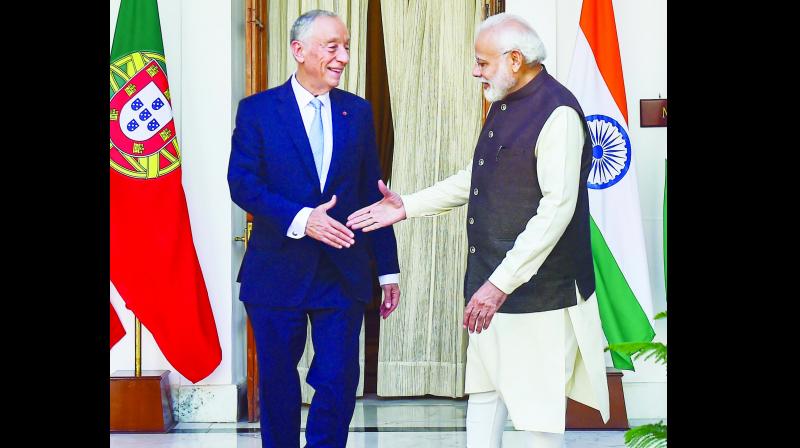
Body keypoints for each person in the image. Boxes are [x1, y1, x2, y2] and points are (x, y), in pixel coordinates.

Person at [346, 13, 609, 448]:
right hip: (490, 287)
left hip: (538, 295)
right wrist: (406, 207)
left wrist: (499, 285)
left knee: (535, 415)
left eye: (483, 62)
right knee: (485, 398)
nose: (475, 71)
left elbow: (555, 210)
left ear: (515, 59)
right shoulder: (505, 102)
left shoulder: (557, 112)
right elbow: (477, 178)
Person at [227, 9, 401, 448]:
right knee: (280, 387)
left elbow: (372, 194)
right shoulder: (258, 111)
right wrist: (305, 220)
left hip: (342, 272)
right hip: (276, 272)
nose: (343, 56)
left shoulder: (357, 113)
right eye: (333, 47)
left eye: (346, 47)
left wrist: (388, 269)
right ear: (298, 51)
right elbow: (243, 184)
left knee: (339, 380)